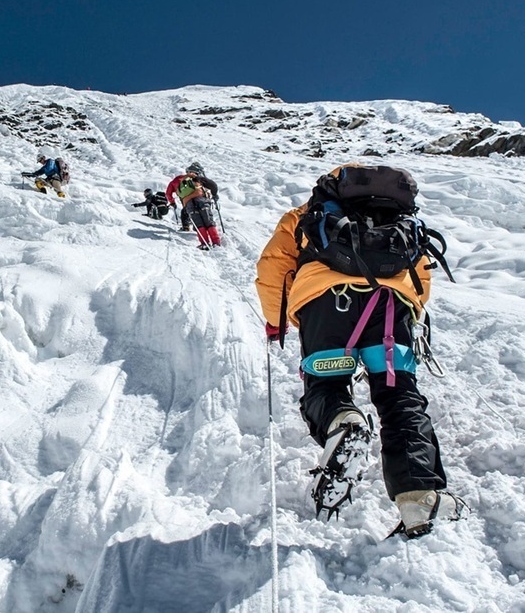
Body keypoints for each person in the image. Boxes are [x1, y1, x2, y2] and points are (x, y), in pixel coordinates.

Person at [255, 163, 461, 539]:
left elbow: (273, 268)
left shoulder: (307, 214)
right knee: (400, 397)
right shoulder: (399, 216)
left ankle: (342, 422)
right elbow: (421, 274)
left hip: (325, 304)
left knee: (327, 384)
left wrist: (277, 320)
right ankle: (419, 497)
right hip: (391, 308)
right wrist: (408, 310)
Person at [166, 163, 221, 249]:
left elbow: (168, 193)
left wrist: (172, 202)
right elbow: (213, 185)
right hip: (201, 199)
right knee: (208, 220)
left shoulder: (177, 180)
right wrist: (214, 195)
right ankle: (216, 242)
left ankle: (204, 243)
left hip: (188, 203)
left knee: (198, 223)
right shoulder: (196, 177)